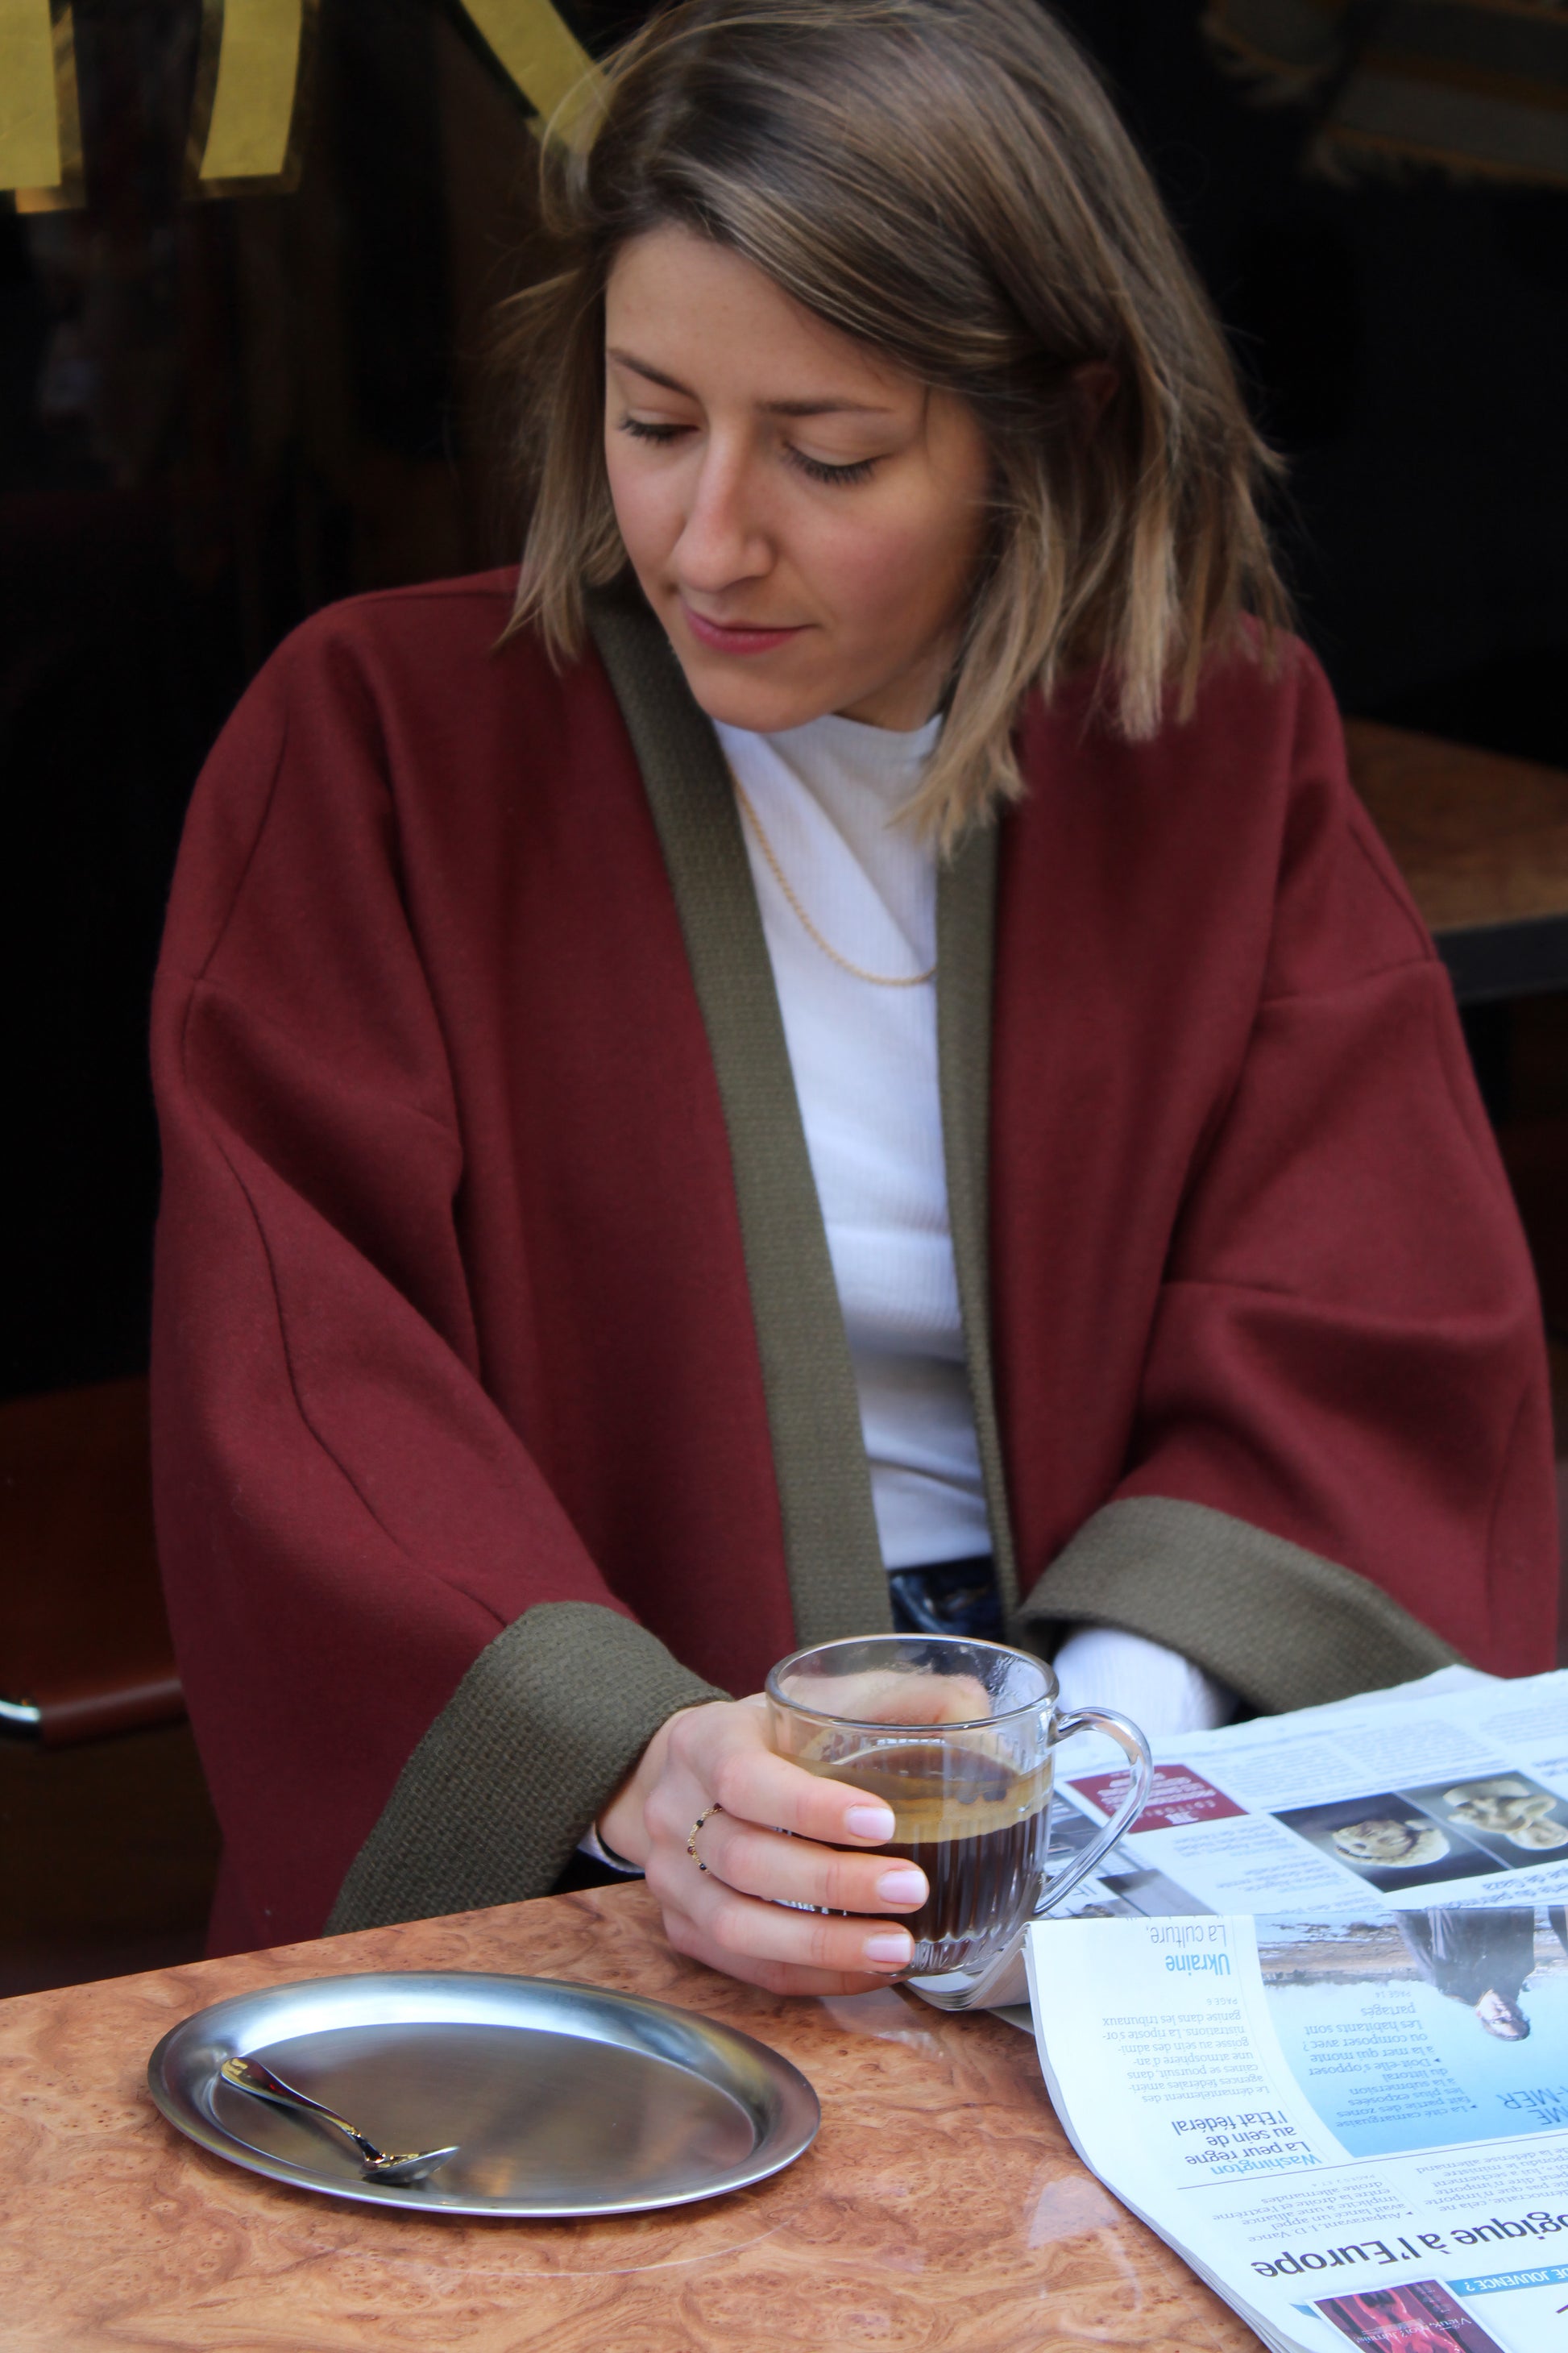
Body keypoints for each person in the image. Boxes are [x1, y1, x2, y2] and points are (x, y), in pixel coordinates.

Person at [150, 0, 1558, 1992]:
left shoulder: (1217, 743)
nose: (708, 536)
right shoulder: (381, 743)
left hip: (1129, 1760)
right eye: (651, 421)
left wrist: (1100, 1740)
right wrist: (647, 1767)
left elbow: (1366, 1309)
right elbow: (305, 1371)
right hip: (613, 1829)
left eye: (827, 452)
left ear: (1051, 417)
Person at [1396, 1909, 1537, 2040]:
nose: (1508, 2013)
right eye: (1518, 2017)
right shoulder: (1522, 1967)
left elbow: (1413, 1934)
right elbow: (1524, 1914)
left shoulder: (1445, 1982)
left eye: (1500, 2020)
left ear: (1480, 2014)